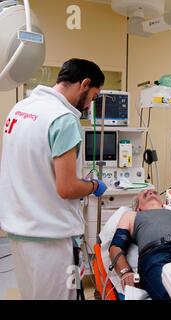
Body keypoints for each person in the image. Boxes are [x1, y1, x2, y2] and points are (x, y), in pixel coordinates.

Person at [0, 58, 108, 300]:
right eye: (93, 96)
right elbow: (67, 187)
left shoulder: (21, 109)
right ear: (85, 84)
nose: (90, 105)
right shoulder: (63, 119)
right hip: (51, 239)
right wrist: (93, 186)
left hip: (18, 231)